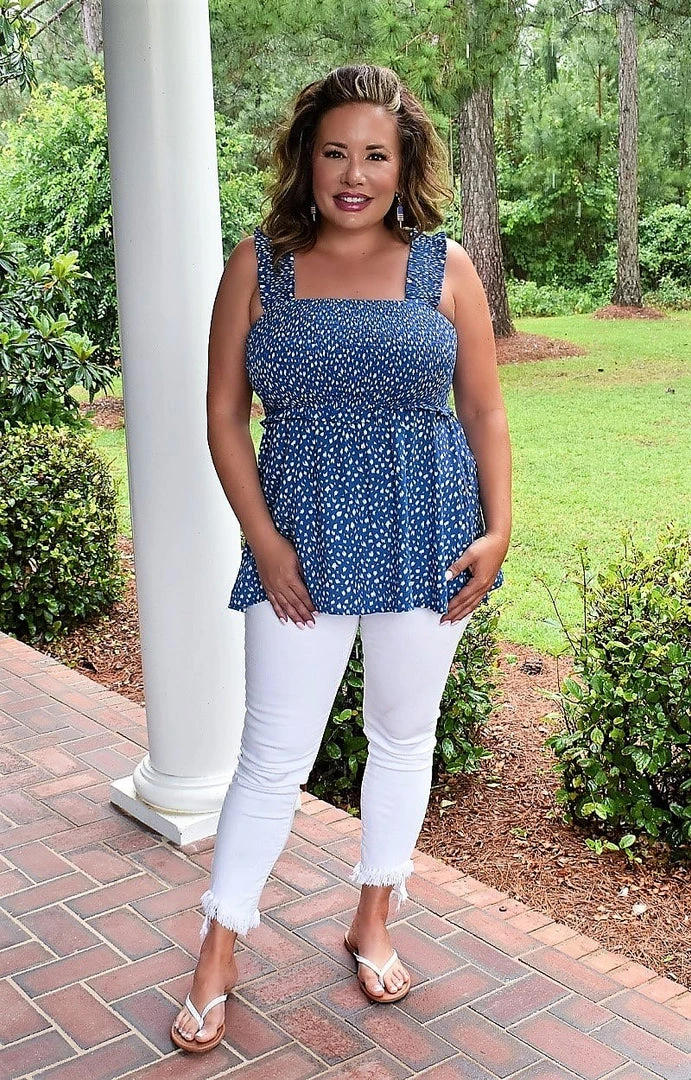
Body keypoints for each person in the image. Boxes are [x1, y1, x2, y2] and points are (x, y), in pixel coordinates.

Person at [171, 63, 511, 1053]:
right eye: (334, 153)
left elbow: (483, 410)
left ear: (403, 165)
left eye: (374, 155)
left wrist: (497, 530)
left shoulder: (445, 268)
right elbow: (223, 417)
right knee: (273, 754)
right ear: (304, 160)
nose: (353, 175)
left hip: (426, 533)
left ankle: (373, 918)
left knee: (403, 736)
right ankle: (218, 946)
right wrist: (264, 542)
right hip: (301, 545)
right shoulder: (259, 266)